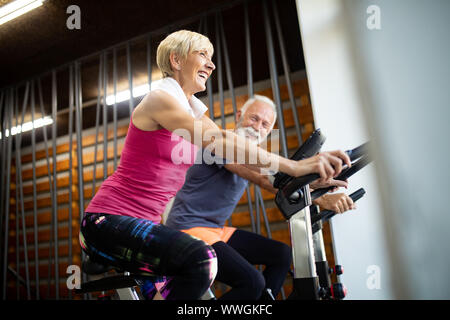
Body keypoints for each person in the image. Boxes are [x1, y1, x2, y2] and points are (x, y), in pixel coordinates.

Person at [79, 29, 351, 300]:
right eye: (202, 55)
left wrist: (311, 181)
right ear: (176, 60)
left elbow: (240, 152)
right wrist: (296, 167)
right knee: (203, 260)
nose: (211, 64)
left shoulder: (194, 110)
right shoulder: (159, 100)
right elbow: (221, 141)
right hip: (107, 221)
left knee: (177, 291)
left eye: (211, 57)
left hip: (149, 226)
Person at [164, 95, 355, 300]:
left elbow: (276, 180)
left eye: (265, 125)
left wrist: (316, 189)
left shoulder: (255, 156)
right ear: (239, 116)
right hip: (187, 228)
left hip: (216, 230)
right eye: (254, 118)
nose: (257, 127)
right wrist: (315, 193)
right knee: (252, 282)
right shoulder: (222, 143)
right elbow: (263, 179)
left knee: (281, 254)